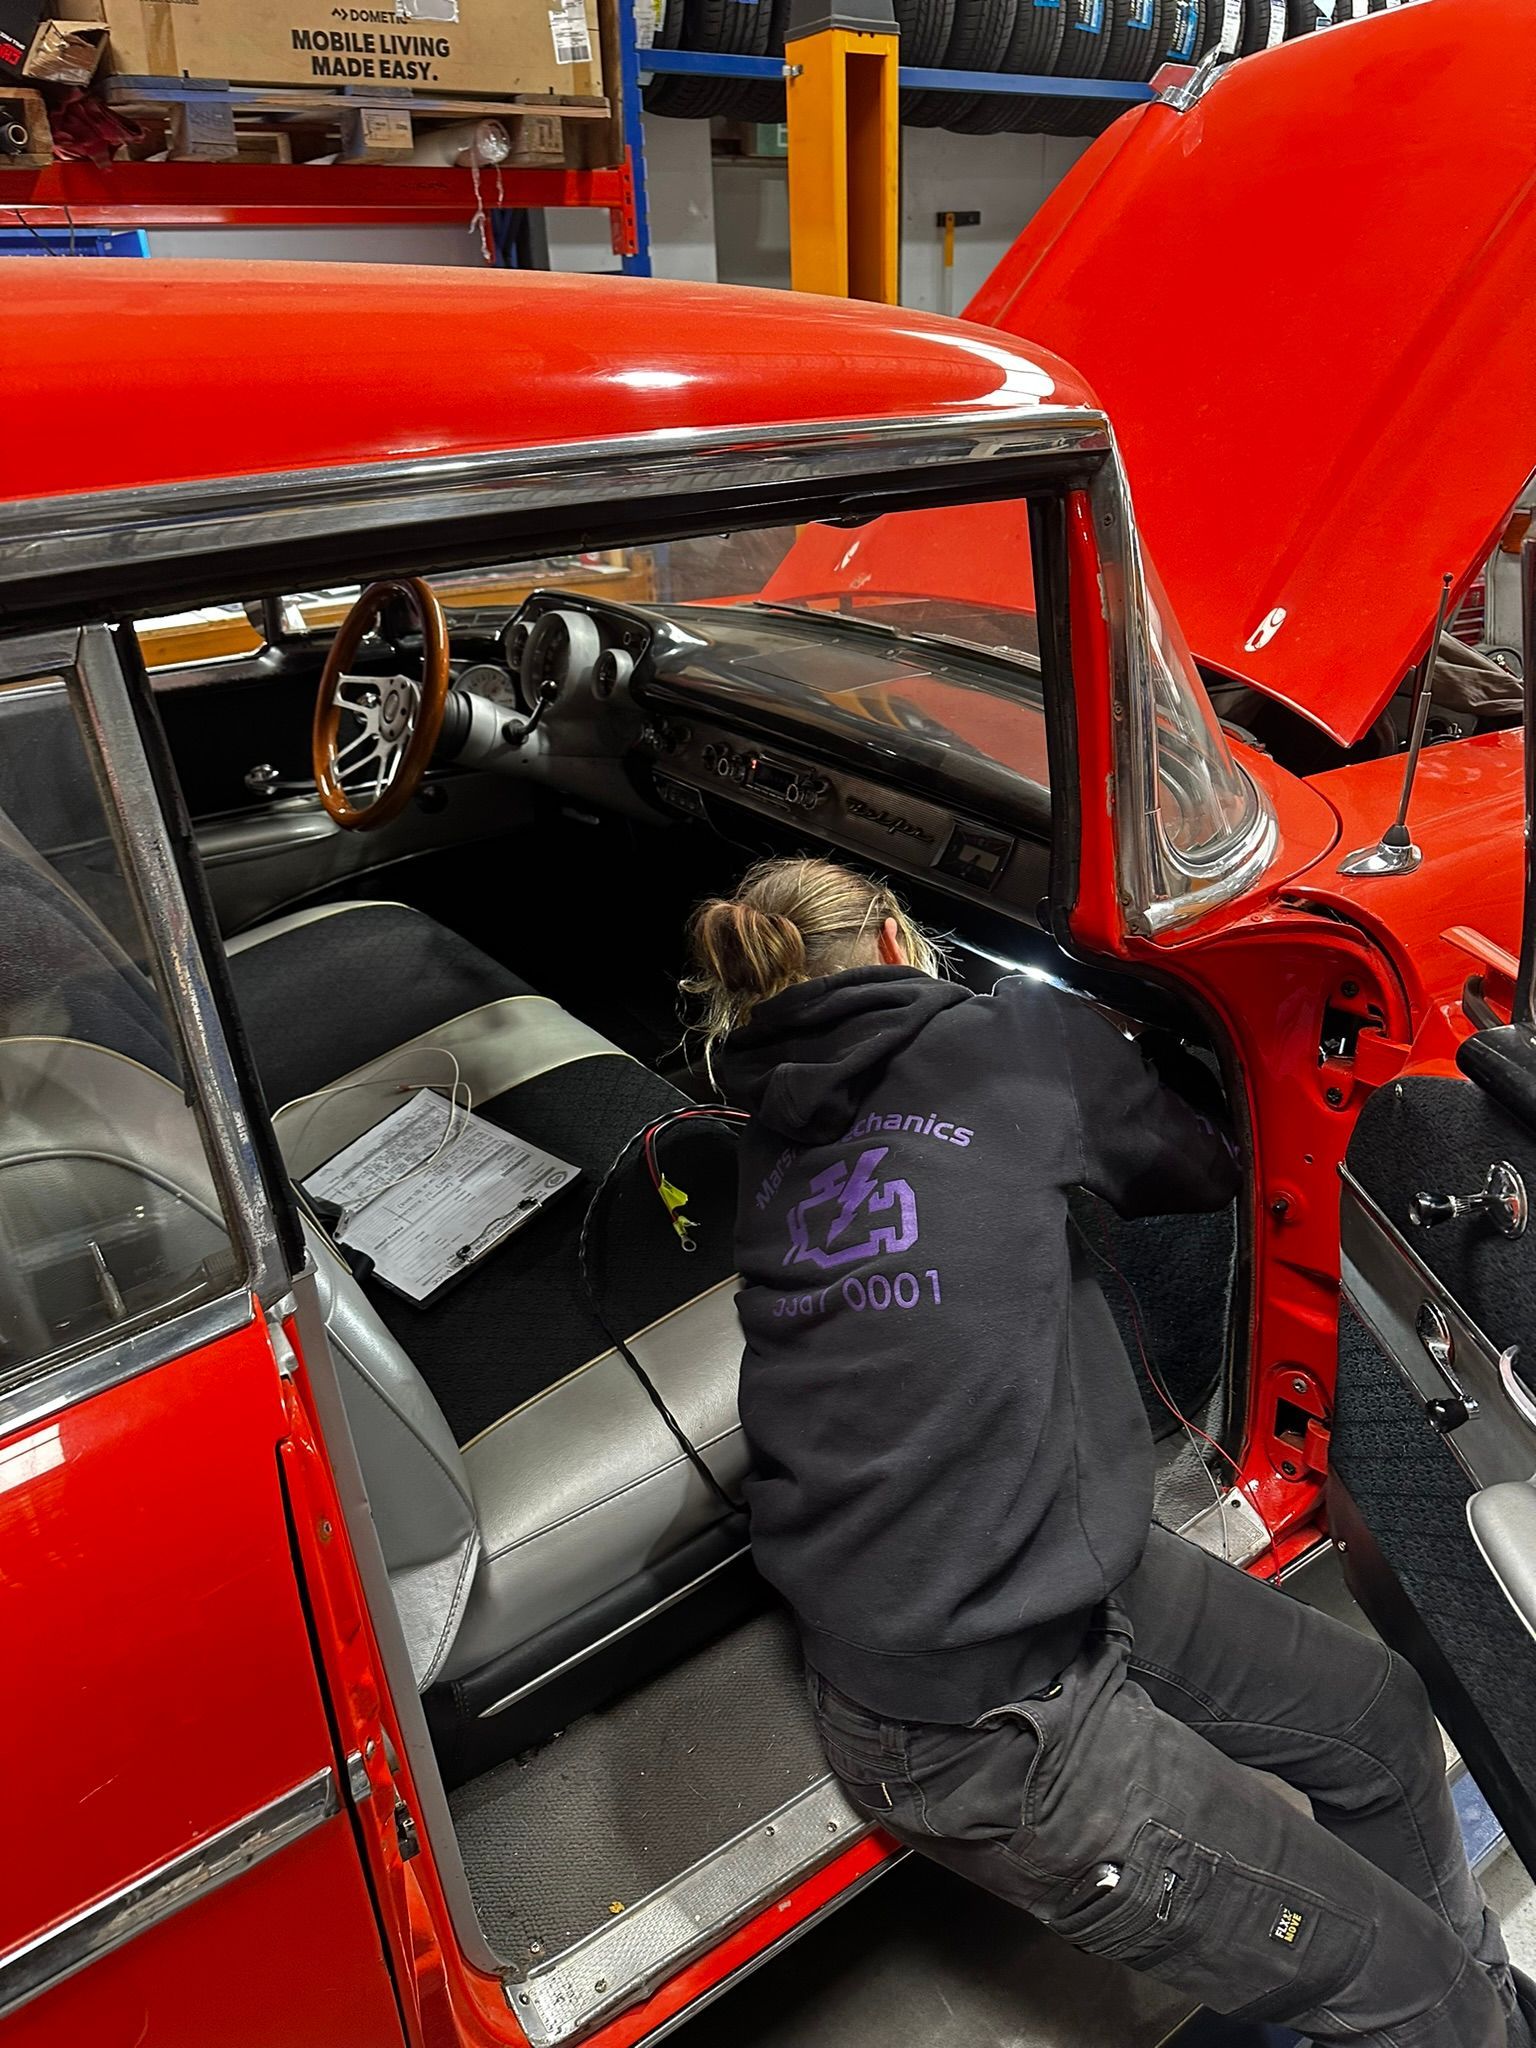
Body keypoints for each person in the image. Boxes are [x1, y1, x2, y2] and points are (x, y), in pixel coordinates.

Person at [683, 854, 1534, 2048]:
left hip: (1040, 1567)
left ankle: (1481, 2008)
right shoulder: (1011, 1040)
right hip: (973, 1722)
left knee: (1384, 1723)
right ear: (892, 942)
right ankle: (1454, 2015)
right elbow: (1204, 1163)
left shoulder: (763, 1127)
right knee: (1413, 1996)